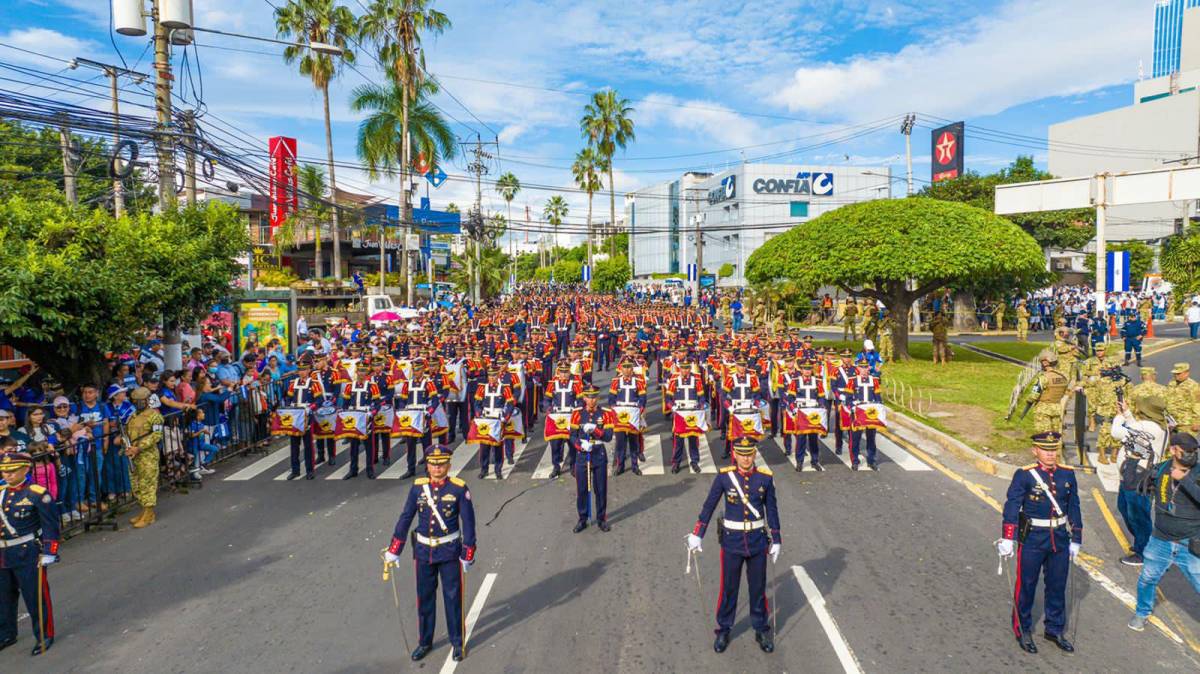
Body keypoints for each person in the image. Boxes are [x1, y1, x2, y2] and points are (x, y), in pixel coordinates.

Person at [686, 438, 781, 654]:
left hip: (757, 542)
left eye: (749, 454)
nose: (746, 458)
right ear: (735, 455)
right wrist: (697, 533)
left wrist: (776, 538)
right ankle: (724, 628)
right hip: (732, 542)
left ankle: (760, 627)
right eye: (742, 453)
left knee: (758, 588)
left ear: (754, 454)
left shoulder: (764, 479)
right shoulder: (724, 477)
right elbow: (709, 505)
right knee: (729, 588)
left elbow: (772, 510)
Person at [383, 447, 476, 662]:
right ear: (428, 466)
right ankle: (425, 641)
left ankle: (457, 642)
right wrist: (394, 549)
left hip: (449, 552)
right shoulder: (418, 489)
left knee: (453, 599)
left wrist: (468, 553)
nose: (437, 468)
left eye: (441, 463)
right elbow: (406, 517)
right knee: (424, 598)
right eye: (433, 464)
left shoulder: (459, 489)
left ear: (448, 466)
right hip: (424, 552)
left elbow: (469, 524)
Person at [997, 432, 1082, 654]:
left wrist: (1077, 538)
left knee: (1057, 585)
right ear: (1035, 451)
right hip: (1033, 537)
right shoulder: (1025, 475)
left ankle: (1054, 628)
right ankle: (1022, 628)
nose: (1051, 454)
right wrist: (1008, 536)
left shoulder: (1067, 474)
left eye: (1054, 449)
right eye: (1046, 450)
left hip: (1060, 540)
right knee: (1026, 585)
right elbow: (1012, 506)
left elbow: (1074, 505)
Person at [1127, 433, 1200, 632]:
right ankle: (1142, 613)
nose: (1191, 454)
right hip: (1161, 540)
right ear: (1173, 450)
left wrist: (1185, 480)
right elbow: (1135, 487)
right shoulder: (1161, 470)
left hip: (1190, 542)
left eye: (1194, 451)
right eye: (1186, 450)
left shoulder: (1198, 472)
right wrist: (1132, 462)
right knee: (1148, 578)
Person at [0, 448, 60, 656]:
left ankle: (44, 635)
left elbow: (51, 525)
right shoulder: (1, 493)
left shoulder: (37, 493)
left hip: (29, 552)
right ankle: (6, 633)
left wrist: (49, 551)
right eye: (4, 470)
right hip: (3, 554)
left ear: (25, 468)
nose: (7, 474)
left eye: (12, 470)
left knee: (35, 597)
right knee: (3, 597)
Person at [1111, 395, 1168, 566]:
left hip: (1137, 478)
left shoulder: (1148, 426)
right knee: (1126, 508)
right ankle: (1142, 544)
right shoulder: (1156, 426)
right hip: (1134, 476)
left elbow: (1116, 432)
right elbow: (1136, 429)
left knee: (1137, 515)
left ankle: (1144, 552)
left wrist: (1119, 415)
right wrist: (1127, 413)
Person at [569, 387, 613, 532]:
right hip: (583, 455)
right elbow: (572, 436)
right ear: (584, 398)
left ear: (598, 398)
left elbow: (608, 436)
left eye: (594, 397)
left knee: (600, 489)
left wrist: (595, 429)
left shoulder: (605, 414)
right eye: (588, 397)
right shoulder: (577, 414)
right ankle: (582, 519)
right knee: (582, 489)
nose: (591, 400)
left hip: (599, 453)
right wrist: (581, 446)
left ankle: (601, 518)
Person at [125, 387, 164, 529]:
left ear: (147, 400)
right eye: (135, 401)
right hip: (133, 455)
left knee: (147, 484)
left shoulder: (155, 416)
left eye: (140, 401)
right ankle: (144, 512)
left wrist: (139, 447)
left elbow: (156, 436)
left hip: (147, 455)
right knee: (136, 484)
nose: (137, 403)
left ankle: (149, 514)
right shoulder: (133, 416)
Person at [1025, 351, 1069, 436]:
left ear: (1045, 362)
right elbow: (1064, 392)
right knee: (1055, 435)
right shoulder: (1063, 377)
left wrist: (1029, 400)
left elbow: (1034, 395)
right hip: (1057, 408)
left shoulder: (1043, 378)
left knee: (1043, 436)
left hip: (1043, 410)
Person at [1166, 362, 1200, 434]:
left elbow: (1197, 404)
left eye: (1178, 374)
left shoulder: (1193, 386)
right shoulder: (1171, 383)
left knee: (1185, 444)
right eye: (1175, 374)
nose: (1176, 376)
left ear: (1186, 373)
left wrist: (1197, 422)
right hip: (1172, 423)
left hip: (1186, 423)